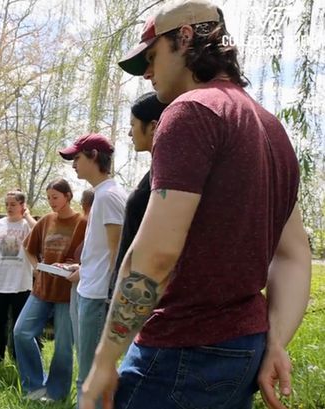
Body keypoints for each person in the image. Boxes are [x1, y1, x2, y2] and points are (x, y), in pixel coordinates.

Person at [81, 1, 311, 409]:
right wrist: (274, 340)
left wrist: (103, 359)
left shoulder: (189, 112)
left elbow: (156, 255)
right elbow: (293, 255)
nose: (148, 73)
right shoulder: (270, 127)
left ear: (184, 38)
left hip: (181, 351)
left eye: (152, 57)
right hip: (243, 349)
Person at [59, 133, 127, 408]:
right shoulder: (102, 195)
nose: (73, 164)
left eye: (76, 158)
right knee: (86, 374)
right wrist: (83, 267)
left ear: (94, 156)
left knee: (90, 377)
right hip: (88, 289)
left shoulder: (109, 196)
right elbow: (101, 251)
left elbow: (117, 252)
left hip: (97, 297)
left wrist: (112, 298)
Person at [13, 178, 87, 402]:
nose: (52, 202)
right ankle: (34, 387)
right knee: (21, 332)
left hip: (67, 293)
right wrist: (37, 268)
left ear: (68, 196)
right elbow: (29, 248)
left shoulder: (82, 223)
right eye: (49, 198)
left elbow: (91, 256)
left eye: (55, 197)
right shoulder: (45, 221)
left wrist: (79, 269)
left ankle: (56, 393)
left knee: (64, 346)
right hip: (42, 289)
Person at [112, 92, 168, 279]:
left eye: (132, 125)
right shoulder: (155, 172)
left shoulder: (166, 177)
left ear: (153, 127)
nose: (129, 133)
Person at [0, 190, 37, 361]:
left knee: (19, 326)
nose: (9, 208)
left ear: (22, 205)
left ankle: (18, 360)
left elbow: (41, 233)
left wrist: (27, 216)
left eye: (13, 204)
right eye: (7, 204)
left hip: (22, 284)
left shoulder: (27, 226)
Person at [69, 189, 95, 348]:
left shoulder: (101, 224)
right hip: (81, 282)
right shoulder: (89, 226)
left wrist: (83, 271)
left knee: (86, 342)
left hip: (90, 289)